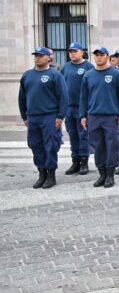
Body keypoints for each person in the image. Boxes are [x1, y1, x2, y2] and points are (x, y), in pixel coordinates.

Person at [79, 47, 119, 188]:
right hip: (94, 116)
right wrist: (83, 115)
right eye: (96, 55)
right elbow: (83, 97)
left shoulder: (116, 74)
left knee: (112, 145)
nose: (99, 57)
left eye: (102, 55)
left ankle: (110, 175)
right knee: (98, 146)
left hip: (111, 117)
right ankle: (102, 173)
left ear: (107, 57)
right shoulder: (88, 75)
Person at [19, 47, 68, 189]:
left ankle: (51, 174)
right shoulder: (27, 75)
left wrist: (60, 116)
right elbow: (22, 97)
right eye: (36, 55)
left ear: (49, 58)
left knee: (50, 145)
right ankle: (41, 173)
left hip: (50, 116)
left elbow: (63, 97)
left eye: (41, 55)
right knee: (35, 145)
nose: (37, 58)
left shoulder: (55, 75)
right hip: (33, 117)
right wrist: (24, 116)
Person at [59, 42, 94, 175]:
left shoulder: (88, 67)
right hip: (69, 108)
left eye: (75, 51)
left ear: (81, 52)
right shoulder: (65, 67)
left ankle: (84, 161)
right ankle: (75, 161)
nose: (72, 53)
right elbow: (60, 87)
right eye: (70, 51)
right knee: (72, 135)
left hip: (83, 108)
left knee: (83, 135)